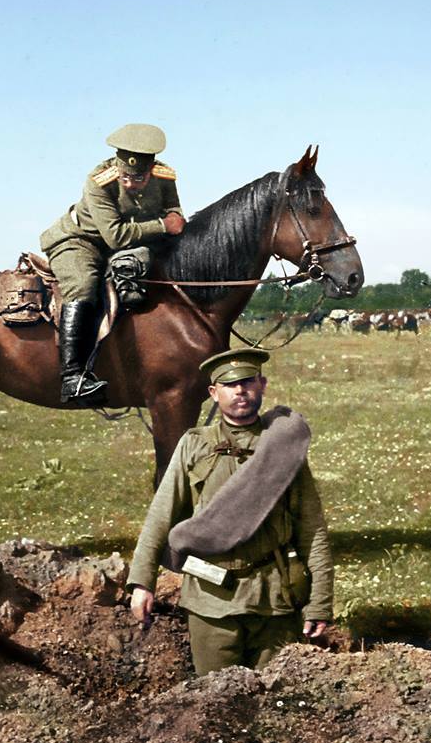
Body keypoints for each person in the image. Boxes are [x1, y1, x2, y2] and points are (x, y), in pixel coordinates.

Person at [126, 348, 334, 676]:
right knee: (215, 704)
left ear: (262, 385)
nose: (240, 390)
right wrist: (142, 582)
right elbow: (160, 515)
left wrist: (320, 600)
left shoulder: (282, 448)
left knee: (275, 702)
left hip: (273, 602)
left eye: (248, 381)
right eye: (229, 384)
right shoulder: (194, 445)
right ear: (213, 393)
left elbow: (312, 529)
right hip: (210, 602)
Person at [40, 123, 186, 407]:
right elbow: (116, 235)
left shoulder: (164, 176)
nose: (131, 183)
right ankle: (73, 377)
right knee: (83, 284)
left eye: (139, 178)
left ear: (152, 168)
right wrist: (162, 225)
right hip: (80, 241)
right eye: (126, 177)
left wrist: (173, 220)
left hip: (127, 245)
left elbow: (174, 212)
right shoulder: (98, 182)